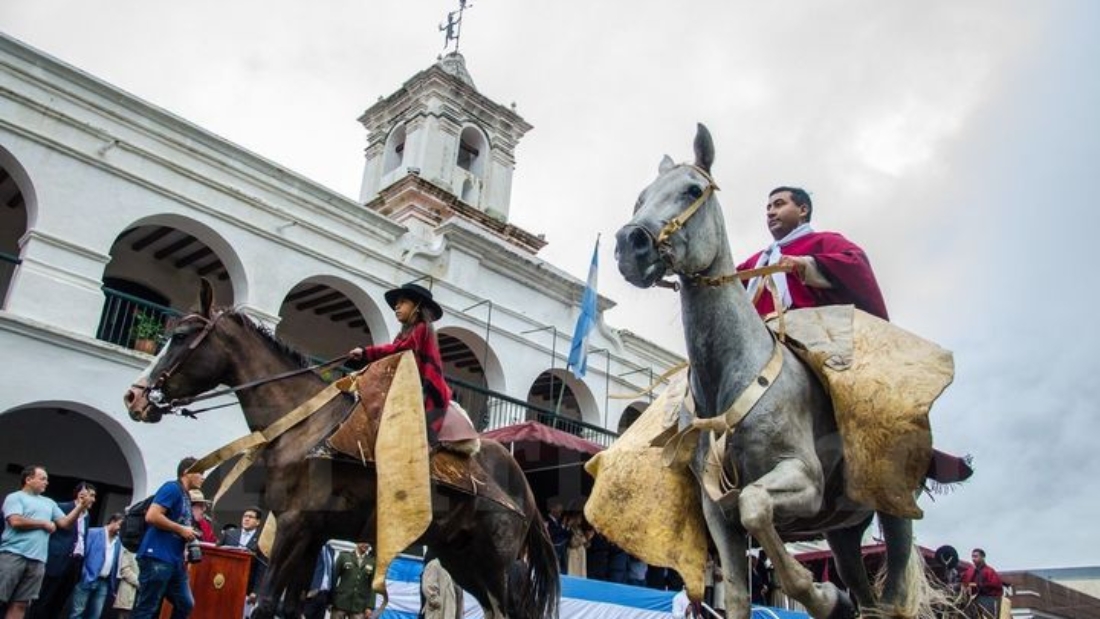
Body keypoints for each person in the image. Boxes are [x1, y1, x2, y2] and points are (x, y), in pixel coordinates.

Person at [738, 186, 888, 320]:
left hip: (811, 331)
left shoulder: (823, 240)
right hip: (758, 334)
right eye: (768, 208)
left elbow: (856, 264)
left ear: (803, 210)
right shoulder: (756, 261)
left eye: (779, 205)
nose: (771, 213)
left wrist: (807, 264)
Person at [348, 282, 451, 445]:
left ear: (417, 306)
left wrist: (366, 352)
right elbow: (391, 357)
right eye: (396, 303)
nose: (397, 306)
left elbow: (399, 350)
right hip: (410, 388)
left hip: (428, 394)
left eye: (403, 302)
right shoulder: (403, 334)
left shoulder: (422, 328)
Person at [1, 465, 93, 619]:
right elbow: (15, 520)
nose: (46, 482)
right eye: (42, 478)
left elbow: (64, 523)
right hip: (13, 555)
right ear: (28, 479)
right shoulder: (15, 497)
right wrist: (43, 523)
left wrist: (80, 507)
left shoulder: (49, 502)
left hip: (38, 560)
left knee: (21, 603)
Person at [129, 457, 204, 619]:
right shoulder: (171, 488)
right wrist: (181, 529)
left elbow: (180, 523)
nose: (203, 477)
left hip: (175, 561)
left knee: (185, 603)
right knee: (147, 608)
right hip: (157, 556)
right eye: (199, 472)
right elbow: (152, 515)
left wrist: (189, 534)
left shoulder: (186, 496)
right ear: (186, 472)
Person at [30, 481, 98, 619]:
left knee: (60, 601)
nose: (93, 499)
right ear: (80, 495)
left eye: (94, 496)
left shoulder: (87, 516)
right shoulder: (61, 507)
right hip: (57, 560)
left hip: (74, 564)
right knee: (44, 600)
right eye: (91, 495)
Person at [69, 512, 122, 619]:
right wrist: (83, 573)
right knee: (77, 612)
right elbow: (83, 554)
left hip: (104, 582)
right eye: (120, 525)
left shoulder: (118, 541)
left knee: (95, 615)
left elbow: (115, 562)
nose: (120, 528)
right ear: (112, 521)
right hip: (87, 578)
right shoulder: (93, 533)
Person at [217, 507, 267, 614]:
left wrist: (255, 591)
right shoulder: (230, 534)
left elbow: (261, 567)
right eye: (245, 516)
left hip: (247, 587)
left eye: (250, 517)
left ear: (258, 522)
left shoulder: (262, 539)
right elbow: (217, 553)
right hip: (224, 582)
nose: (246, 519)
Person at [329, 542, 375, 619]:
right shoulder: (344, 557)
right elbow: (333, 579)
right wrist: (330, 600)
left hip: (359, 606)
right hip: (340, 603)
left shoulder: (372, 561)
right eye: (364, 542)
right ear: (358, 542)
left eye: (368, 543)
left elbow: (373, 586)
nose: (366, 545)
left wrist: (370, 607)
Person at [961, 548, 1003, 618]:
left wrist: (977, 585)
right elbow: (963, 582)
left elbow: (996, 587)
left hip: (986, 600)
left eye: (976, 556)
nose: (973, 559)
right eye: (972, 556)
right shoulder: (970, 571)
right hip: (971, 602)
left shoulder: (990, 571)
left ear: (983, 557)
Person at [111, 546, 139, 619]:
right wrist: (140, 582)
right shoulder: (130, 549)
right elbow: (124, 570)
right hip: (128, 594)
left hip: (142, 598)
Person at [544, 500, 569, 572]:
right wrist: (561, 527)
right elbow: (550, 533)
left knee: (563, 571)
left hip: (562, 551)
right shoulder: (546, 519)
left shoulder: (559, 522)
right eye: (559, 510)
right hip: (552, 550)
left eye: (561, 511)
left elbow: (566, 535)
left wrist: (565, 526)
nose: (560, 513)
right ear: (552, 509)